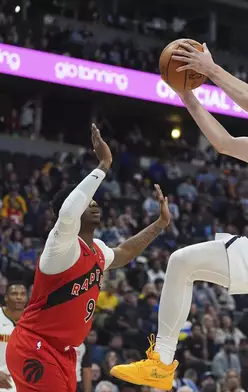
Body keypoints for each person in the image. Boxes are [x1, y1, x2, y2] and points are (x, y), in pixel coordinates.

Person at [110, 43, 248, 392]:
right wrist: (186, 95)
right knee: (181, 262)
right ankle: (162, 363)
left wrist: (211, 69)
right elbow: (225, 143)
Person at [6, 125, 172, 392]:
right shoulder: (60, 246)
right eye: (88, 203)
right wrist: (104, 164)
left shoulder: (97, 251)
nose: (94, 205)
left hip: (65, 353)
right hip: (35, 345)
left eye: (95, 203)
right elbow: (70, 211)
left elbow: (125, 252)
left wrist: (160, 225)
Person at [0, 282, 28, 392]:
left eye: (22, 294)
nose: (19, 297)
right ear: (6, 297)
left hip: (23, 384)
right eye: (14, 293)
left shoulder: (34, 320)